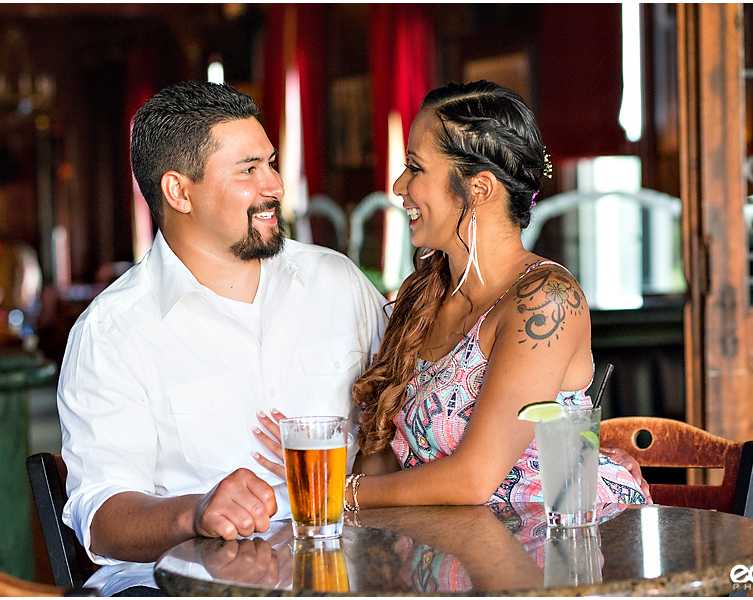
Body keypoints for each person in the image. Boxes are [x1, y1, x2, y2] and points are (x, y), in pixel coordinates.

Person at [57, 80, 387, 595]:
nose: (275, 185)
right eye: (249, 170)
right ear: (179, 192)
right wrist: (197, 511)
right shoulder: (112, 333)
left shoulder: (337, 282)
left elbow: (402, 417)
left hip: (343, 575)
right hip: (185, 585)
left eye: (271, 163)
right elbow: (101, 518)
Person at [256, 80, 648, 510]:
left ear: (479, 189)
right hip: (454, 556)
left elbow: (473, 479)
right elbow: (382, 454)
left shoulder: (546, 298)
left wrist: (329, 489)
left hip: (564, 551)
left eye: (416, 167)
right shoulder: (422, 294)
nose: (399, 184)